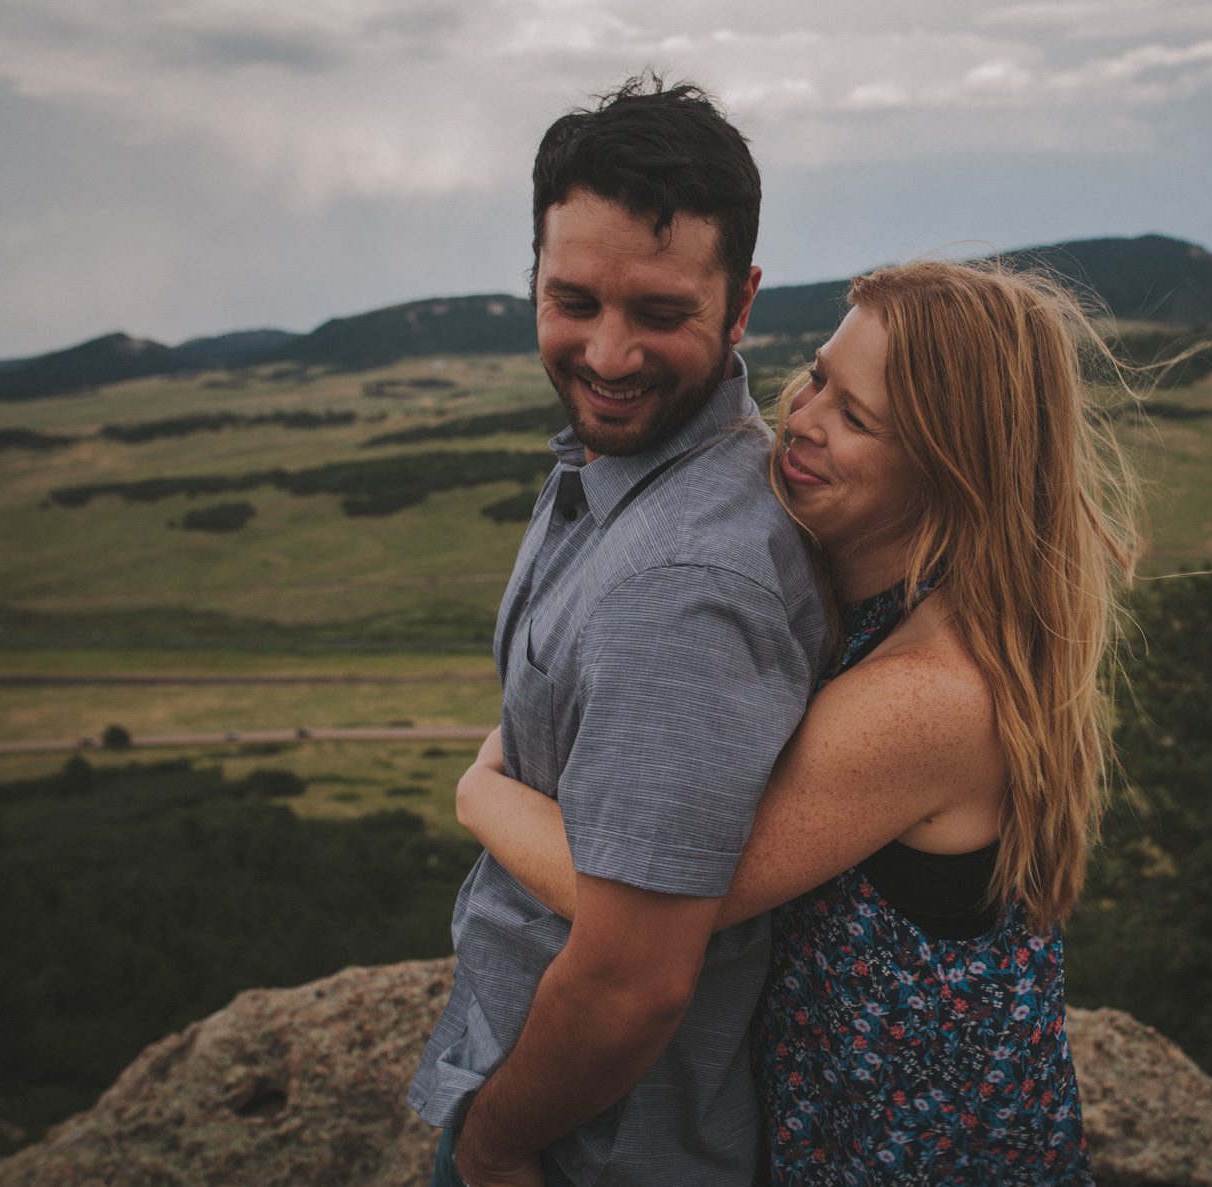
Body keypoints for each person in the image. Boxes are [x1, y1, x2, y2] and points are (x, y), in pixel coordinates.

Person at [460, 259, 1143, 1183]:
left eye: (857, 417)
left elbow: (652, 909)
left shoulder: (928, 694)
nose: (805, 417)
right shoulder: (875, 604)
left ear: (953, 469)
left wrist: (479, 792)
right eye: (820, 374)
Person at [408, 75, 826, 1187]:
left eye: (659, 312)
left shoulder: (684, 582)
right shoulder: (619, 467)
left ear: (740, 306)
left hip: (586, 1150)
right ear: (533, 280)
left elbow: (632, 978)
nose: (605, 354)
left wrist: (495, 1143)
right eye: (574, 299)